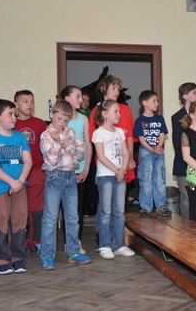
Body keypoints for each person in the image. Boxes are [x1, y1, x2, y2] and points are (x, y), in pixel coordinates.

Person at [0, 99, 32, 275]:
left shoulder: (19, 137)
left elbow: (27, 160)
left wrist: (20, 180)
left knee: (19, 221)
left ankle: (18, 258)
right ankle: (1, 260)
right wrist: (11, 181)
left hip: (19, 187)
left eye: (14, 114)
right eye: (10, 114)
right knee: (0, 222)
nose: (14, 117)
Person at [39, 100, 91, 270]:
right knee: (50, 218)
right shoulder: (46, 135)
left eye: (65, 120)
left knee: (73, 217)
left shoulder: (70, 132)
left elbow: (81, 153)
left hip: (70, 176)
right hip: (54, 177)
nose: (62, 122)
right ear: (52, 115)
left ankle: (73, 252)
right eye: (59, 118)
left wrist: (63, 144)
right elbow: (51, 161)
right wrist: (60, 145)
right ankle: (47, 256)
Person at [93, 100, 135, 260]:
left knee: (119, 212)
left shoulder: (119, 132)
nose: (119, 114)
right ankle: (104, 245)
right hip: (106, 176)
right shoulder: (99, 133)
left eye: (119, 111)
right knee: (106, 211)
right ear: (105, 114)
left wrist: (123, 169)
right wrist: (116, 170)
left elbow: (125, 152)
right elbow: (101, 156)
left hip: (120, 175)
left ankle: (119, 244)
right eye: (115, 111)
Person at [13, 90, 47, 256]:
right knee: (18, 211)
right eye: (25, 101)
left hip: (36, 171)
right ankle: (18, 243)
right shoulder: (11, 123)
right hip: (15, 173)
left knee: (36, 209)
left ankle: (36, 242)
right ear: (16, 104)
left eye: (32, 101)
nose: (30, 105)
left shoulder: (40, 123)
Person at [60, 86, 91, 252]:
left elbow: (88, 145)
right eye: (77, 96)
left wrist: (86, 169)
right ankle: (68, 242)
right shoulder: (61, 119)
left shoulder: (83, 118)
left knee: (78, 208)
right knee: (67, 208)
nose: (80, 100)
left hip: (81, 171)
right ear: (67, 99)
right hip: (65, 171)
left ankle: (76, 241)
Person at [171, 82, 196, 219]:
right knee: (186, 197)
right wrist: (189, 160)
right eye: (194, 92)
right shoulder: (177, 117)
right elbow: (177, 143)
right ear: (185, 96)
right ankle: (187, 227)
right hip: (184, 163)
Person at [133, 90, 170, 218]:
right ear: (144, 103)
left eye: (157, 101)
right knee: (146, 179)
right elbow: (141, 138)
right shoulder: (140, 120)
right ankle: (145, 207)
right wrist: (151, 149)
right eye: (154, 101)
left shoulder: (160, 119)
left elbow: (162, 134)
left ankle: (161, 205)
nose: (157, 103)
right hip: (146, 152)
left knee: (159, 179)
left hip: (158, 151)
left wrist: (159, 146)